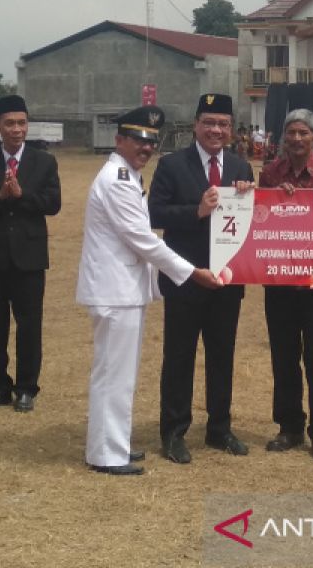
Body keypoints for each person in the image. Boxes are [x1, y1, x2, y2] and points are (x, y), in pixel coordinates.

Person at [77, 105, 220, 476]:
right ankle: (107, 453)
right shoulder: (117, 180)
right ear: (119, 139)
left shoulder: (126, 175)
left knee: (119, 373)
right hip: (115, 290)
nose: (146, 147)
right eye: (138, 139)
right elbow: (143, 240)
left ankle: (115, 443)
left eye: (152, 141)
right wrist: (190, 273)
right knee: (114, 373)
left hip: (122, 289)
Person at [149, 93, 254, 464]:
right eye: (209, 122)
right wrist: (196, 210)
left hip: (227, 281)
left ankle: (219, 429)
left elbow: (249, 223)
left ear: (231, 129)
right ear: (195, 125)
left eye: (223, 124)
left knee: (221, 356)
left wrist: (246, 197)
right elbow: (154, 215)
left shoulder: (241, 168)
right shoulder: (172, 165)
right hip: (185, 277)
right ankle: (174, 432)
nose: (216, 130)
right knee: (178, 356)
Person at [257, 109, 313, 461]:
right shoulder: (269, 173)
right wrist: (275, 198)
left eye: (303, 133)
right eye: (291, 132)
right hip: (278, 279)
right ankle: (289, 426)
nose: (296, 139)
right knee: (284, 355)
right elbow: (259, 220)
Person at [0, 95, 62, 413]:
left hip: (29, 257)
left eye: (22, 123)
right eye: (9, 123)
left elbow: (53, 203)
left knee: (29, 325)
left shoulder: (43, 161)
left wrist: (22, 196)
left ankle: (26, 388)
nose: (17, 129)